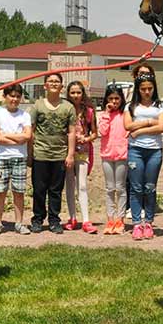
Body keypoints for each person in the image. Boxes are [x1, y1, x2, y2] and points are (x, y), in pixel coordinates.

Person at [29, 73, 77, 234]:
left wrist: (70, 154)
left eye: (57, 82)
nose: (54, 84)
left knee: (56, 190)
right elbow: (31, 131)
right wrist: (30, 154)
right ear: (45, 85)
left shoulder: (68, 107)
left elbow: (71, 132)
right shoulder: (37, 106)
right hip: (40, 154)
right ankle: (37, 219)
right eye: (51, 81)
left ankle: (54, 220)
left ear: (61, 86)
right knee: (39, 190)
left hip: (60, 155)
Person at [124, 73, 163, 240]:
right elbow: (127, 125)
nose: (147, 92)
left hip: (154, 150)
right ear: (138, 90)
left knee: (150, 187)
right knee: (136, 188)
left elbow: (162, 127)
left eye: (150, 88)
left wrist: (140, 129)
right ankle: (136, 223)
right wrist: (150, 122)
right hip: (135, 150)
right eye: (143, 89)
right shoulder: (131, 106)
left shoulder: (160, 105)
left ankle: (148, 222)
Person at [0, 84, 32, 235]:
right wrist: (17, 138)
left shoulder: (24, 115)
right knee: (0, 191)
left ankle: (19, 223)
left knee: (19, 191)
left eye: (17, 96)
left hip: (19, 157)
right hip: (1, 157)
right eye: (11, 96)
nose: (14, 99)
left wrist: (5, 136)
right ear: (5, 97)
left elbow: (27, 136)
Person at [63, 81, 98, 234]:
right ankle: (72, 217)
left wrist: (86, 139)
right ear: (68, 94)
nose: (76, 96)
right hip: (68, 152)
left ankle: (86, 219)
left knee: (82, 185)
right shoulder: (64, 110)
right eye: (73, 93)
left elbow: (95, 133)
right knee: (69, 185)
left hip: (83, 151)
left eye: (78, 92)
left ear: (83, 93)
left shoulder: (88, 112)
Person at [99, 84, 128, 235]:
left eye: (117, 98)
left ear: (121, 99)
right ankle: (110, 219)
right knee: (110, 188)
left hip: (122, 155)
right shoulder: (104, 115)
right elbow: (102, 131)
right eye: (111, 98)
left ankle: (120, 219)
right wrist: (106, 113)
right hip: (107, 155)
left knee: (121, 188)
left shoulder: (125, 114)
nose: (114, 101)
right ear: (106, 100)